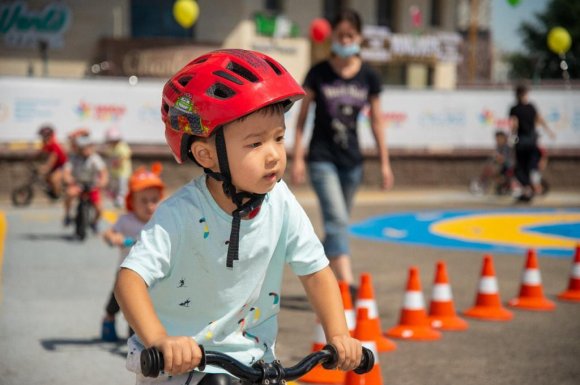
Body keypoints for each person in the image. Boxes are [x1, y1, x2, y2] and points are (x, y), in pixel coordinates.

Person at [114, 49, 362, 385]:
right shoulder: (181, 214)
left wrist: (339, 335)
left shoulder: (281, 203)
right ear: (207, 155)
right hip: (181, 365)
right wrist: (160, 340)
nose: (274, 154)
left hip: (256, 362)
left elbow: (317, 273)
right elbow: (129, 281)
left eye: (279, 138)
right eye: (255, 143)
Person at [291, 9, 394, 295]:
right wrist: (297, 158)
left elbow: (376, 121)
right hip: (322, 158)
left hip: (353, 163)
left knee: (338, 227)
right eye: (340, 35)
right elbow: (300, 122)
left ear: (359, 37)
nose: (345, 40)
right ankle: (346, 284)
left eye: (351, 35)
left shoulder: (369, 76)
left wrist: (385, 163)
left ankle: (317, 277)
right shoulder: (318, 73)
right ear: (332, 37)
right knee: (336, 220)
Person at [101, 164, 164, 342]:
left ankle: (137, 340)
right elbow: (108, 233)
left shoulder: (161, 220)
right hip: (126, 272)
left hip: (151, 275)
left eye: (154, 200)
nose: (150, 205)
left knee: (138, 308)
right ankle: (108, 319)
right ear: (131, 201)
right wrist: (115, 237)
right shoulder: (126, 220)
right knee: (115, 303)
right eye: (143, 201)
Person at [509, 84, 555, 202]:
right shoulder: (531, 107)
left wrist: (512, 137)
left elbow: (514, 124)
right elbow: (540, 119)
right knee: (530, 167)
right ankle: (529, 191)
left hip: (522, 142)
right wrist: (549, 131)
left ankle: (528, 188)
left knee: (520, 168)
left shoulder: (515, 108)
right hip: (532, 142)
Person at [62, 134, 109, 232]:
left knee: (99, 208)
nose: (86, 150)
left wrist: (103, 181)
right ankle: (67, 215)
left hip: (92, 185)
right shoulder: (73, 158)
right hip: (77, 184)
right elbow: (67, 171)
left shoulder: (95, 158)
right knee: (69, 194)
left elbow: (103, 171)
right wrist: (68, 178)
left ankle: (95, 222)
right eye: (83, 148)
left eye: (88, 147)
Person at [469, 130, 513, 195]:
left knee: (492, 170)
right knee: (489, 169)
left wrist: (497, 158)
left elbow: (503, 159)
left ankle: (503, 184)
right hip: (503, 168)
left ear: (504, 138)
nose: (498, 140)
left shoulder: (506, 147)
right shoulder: (498, 147)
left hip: (509, 168)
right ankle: (494, 185)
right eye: (497, 139)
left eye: (499, 139)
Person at [104, 126, 133, 208]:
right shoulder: (110, 148)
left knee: (122, 186)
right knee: (114, 184)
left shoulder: (122, 146)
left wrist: (118, 162)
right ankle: (115, 196)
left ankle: (121, 199)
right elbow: (109, 157)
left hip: (123, 172)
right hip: (114, 172)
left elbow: (126, 155)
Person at [36, 124, 68, 199]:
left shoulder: (54, 145)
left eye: (43, 136)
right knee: (47, 178)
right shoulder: (46, 144)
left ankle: (57, 195)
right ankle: (52, 191)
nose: (42, 138)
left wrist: (46, 167)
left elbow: (53, 159)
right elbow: (41, 153)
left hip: (62, 165)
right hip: (56, 166)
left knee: (54, 179)